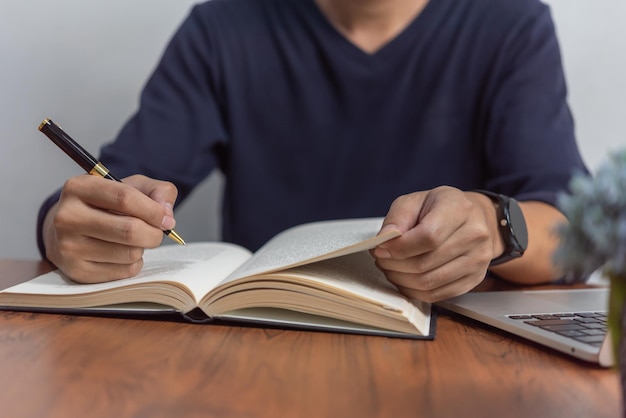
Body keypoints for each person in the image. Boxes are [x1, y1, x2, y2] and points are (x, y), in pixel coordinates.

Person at [37, 0, 588, 303]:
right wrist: (69, 233)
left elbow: (577, 230)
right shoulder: (223, 28)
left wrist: (492, 226)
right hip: (261, 333)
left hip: (448, 340)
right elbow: (109, 190)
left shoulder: (511, 24)